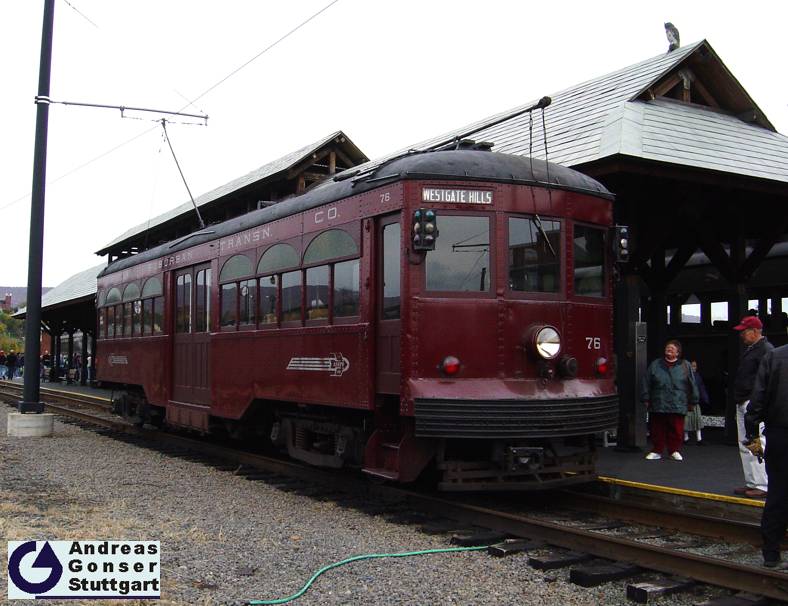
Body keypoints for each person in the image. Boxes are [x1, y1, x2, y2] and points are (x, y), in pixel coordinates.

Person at [743, 343, 788, 568]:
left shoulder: (774, 357)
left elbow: (758, 398)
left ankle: (771, 552)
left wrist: (752, 434)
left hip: (780, 433)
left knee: (778, 492)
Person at [733, 316, 773, 498]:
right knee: (746, 443)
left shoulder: (765, 350)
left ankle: (762, 484)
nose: (742, 334)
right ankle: (752, 481)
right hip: (744, 400)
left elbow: (767, 379)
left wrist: (759, 403)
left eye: (744, 331)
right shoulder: (753, 349)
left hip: (753, 402)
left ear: (755, 331)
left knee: (757, 441)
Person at [641, 339, 699, 461]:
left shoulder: (685, 365)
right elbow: (646, 381)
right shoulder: (655, 364)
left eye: (673, 348)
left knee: (676, 428)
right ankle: (657, 450)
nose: (669, 349)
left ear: (678, 352)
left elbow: (692, 383)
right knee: (657, 428)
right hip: (658, 402)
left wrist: (694, 400)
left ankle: (674, 450)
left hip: (678, 402)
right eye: (668, 347)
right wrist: (645, 397)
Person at [684, 360, 708, 445]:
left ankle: (699, 439)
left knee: (697, 420)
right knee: (686, 421)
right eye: (692, 366)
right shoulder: (685, 376)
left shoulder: (698, 377)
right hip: (687, 402)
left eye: (695, 366)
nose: (694, 367)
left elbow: (701, 388)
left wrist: (705, 398)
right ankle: (686, 438)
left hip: (695, 402)